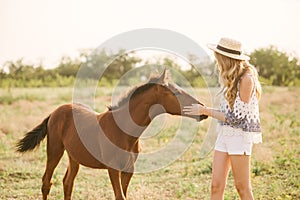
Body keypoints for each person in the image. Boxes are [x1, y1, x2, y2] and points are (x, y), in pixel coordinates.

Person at [183, 37, 262, 200]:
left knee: (242, 188)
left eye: (218, 56)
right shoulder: (229, 77)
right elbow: (226, 111)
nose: (216, 60)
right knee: (216, 186)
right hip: (224, 135)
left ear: (227, 58)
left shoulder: (247, 79)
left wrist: (205, 110)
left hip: (239, 137)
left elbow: (236, 119)